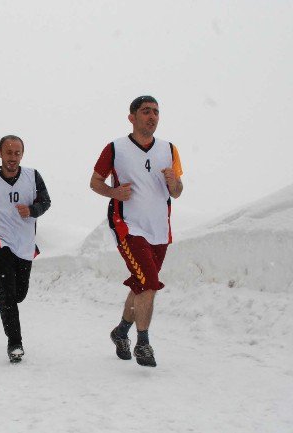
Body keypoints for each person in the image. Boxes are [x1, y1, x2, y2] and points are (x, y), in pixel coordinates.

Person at [90, 95, 184, 367]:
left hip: (159, 230)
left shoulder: (169, 149)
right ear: (131, 117)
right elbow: (95, 182)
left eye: (156, 112)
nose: (152, 116)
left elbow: (177, 193)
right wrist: (113, 192)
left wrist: (173, 182)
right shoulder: (115, 148)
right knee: (150, 284)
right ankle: (143, 344)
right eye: (145, 111)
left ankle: (121, 331)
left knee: (141, 283)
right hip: (128, 226)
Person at [0, 135, 51, 362]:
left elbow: (46, 201)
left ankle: (10, 310)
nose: (13, 158)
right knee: (6, 293)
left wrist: (33, 210)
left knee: (19, 294)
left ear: (22, 154)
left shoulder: (33, 176)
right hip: (1, 242)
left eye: (17, 153)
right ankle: (14, 343)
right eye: (9, 153)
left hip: (25, 244)